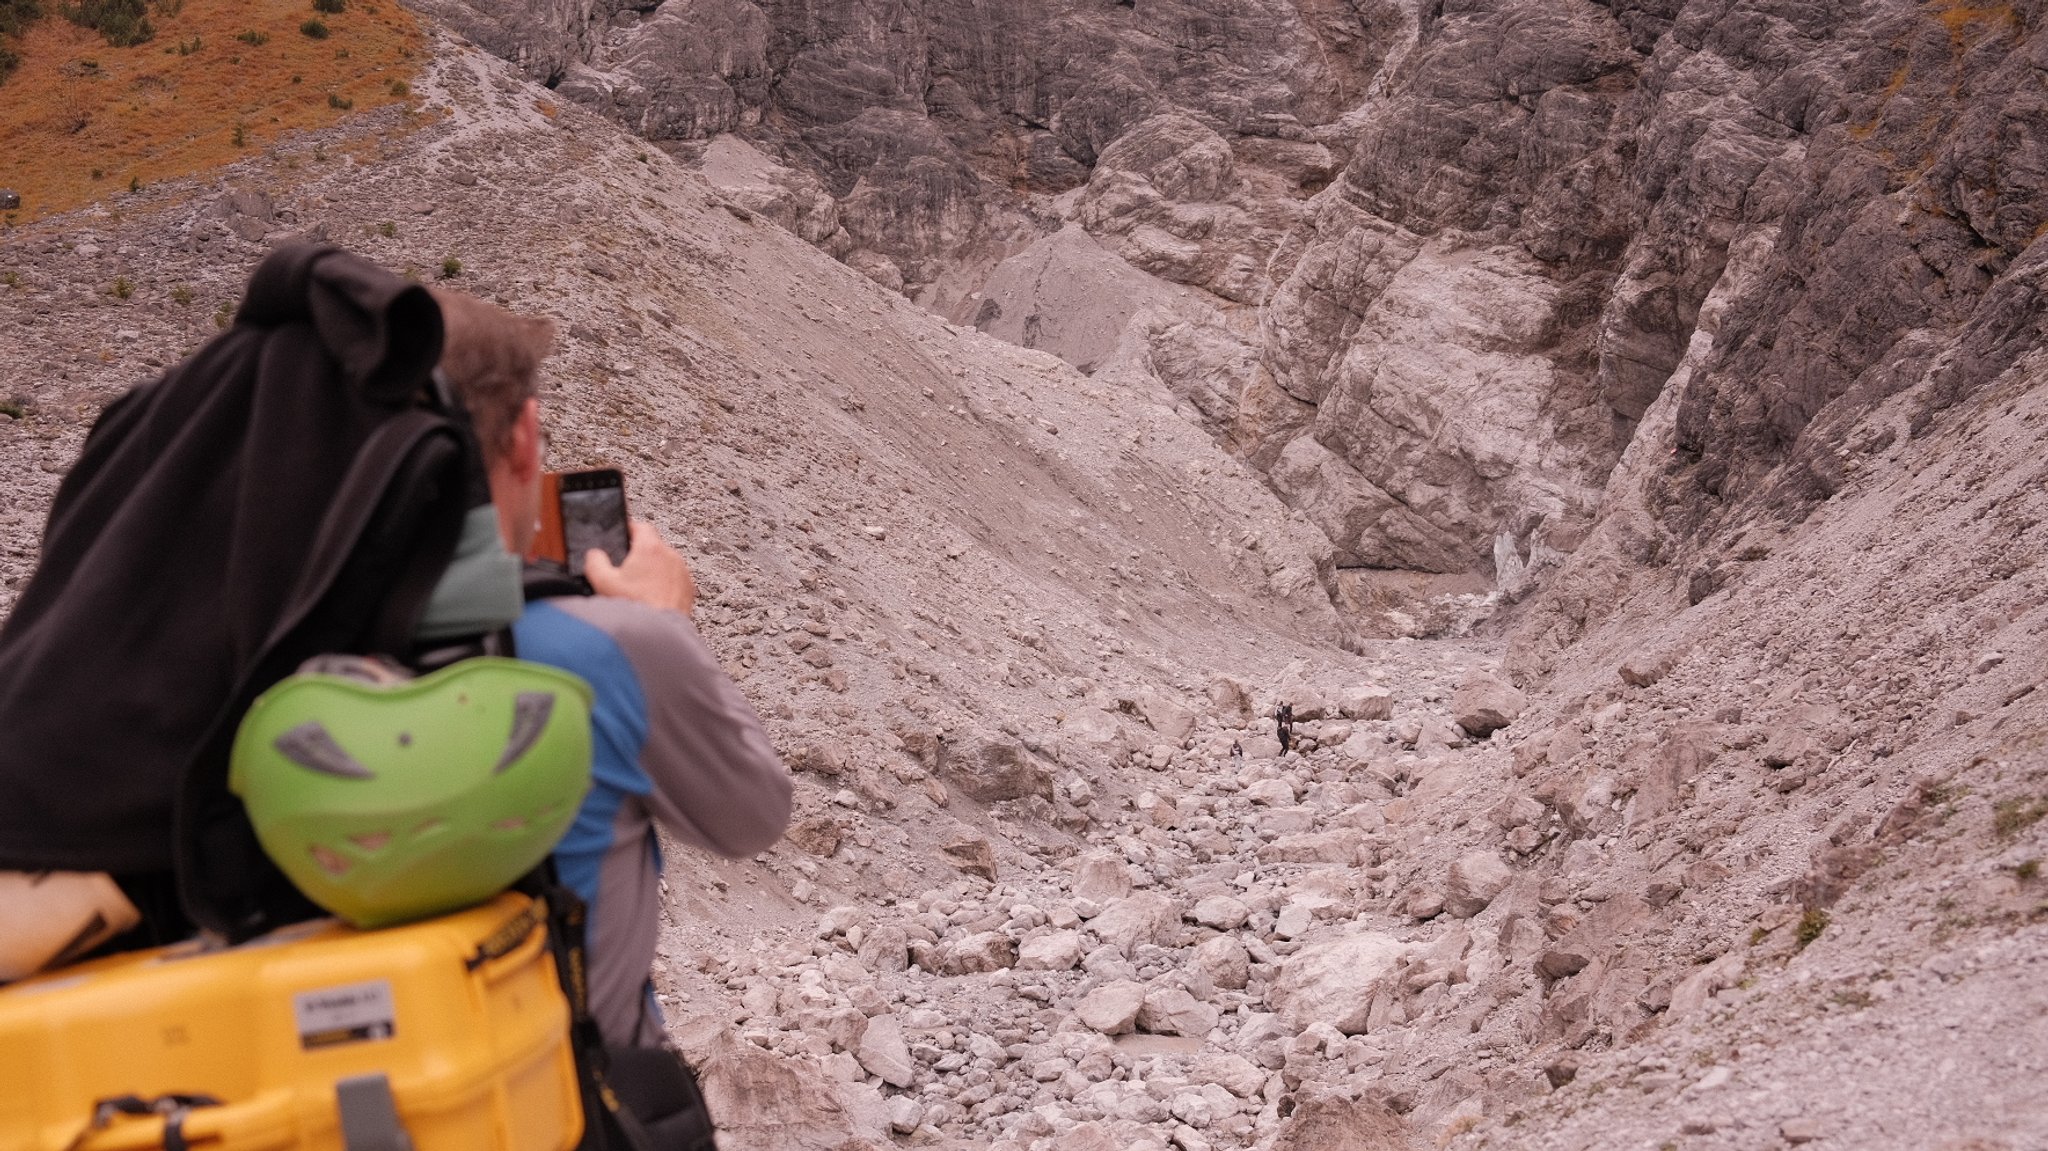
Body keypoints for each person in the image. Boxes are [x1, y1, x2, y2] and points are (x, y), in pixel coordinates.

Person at [429, 286, 793, 1049]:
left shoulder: (263, 652)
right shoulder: (604, 649)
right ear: (524, 439)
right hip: (567, 1104)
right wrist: (664, 625)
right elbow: (752, 814)